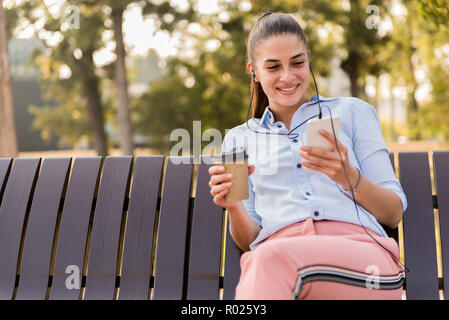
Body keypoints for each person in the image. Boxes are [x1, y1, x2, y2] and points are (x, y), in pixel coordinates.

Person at [208, 12, 407, 300]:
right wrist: (234, 207)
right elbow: (249, 239)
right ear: (253, 70)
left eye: (298, 63)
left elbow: (393, 213)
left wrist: (348, 176)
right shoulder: (238, 140)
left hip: (364, 265)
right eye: (273, 67)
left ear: (309, 59)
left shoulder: (353, 112)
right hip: (280, 268)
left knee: (266, 260)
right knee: (265, 258)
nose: (288, 76)